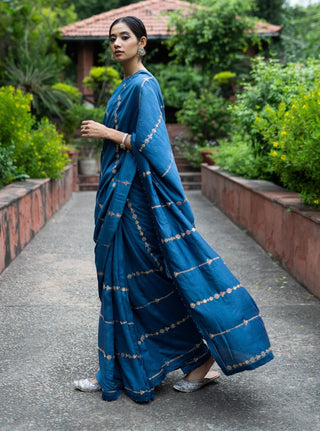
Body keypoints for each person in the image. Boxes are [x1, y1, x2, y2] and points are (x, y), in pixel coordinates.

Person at [74, 16, 273, 403]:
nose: (117, 44)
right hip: (118, 198)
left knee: (149, 285)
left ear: (142, 42)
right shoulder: (125, 85)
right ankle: (114, 370)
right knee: (122, 288)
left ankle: (199, 360)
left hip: (137, 204)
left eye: (125, 37)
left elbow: (154, 146)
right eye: (112, 38)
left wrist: (107, 132)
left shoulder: (145, 85)